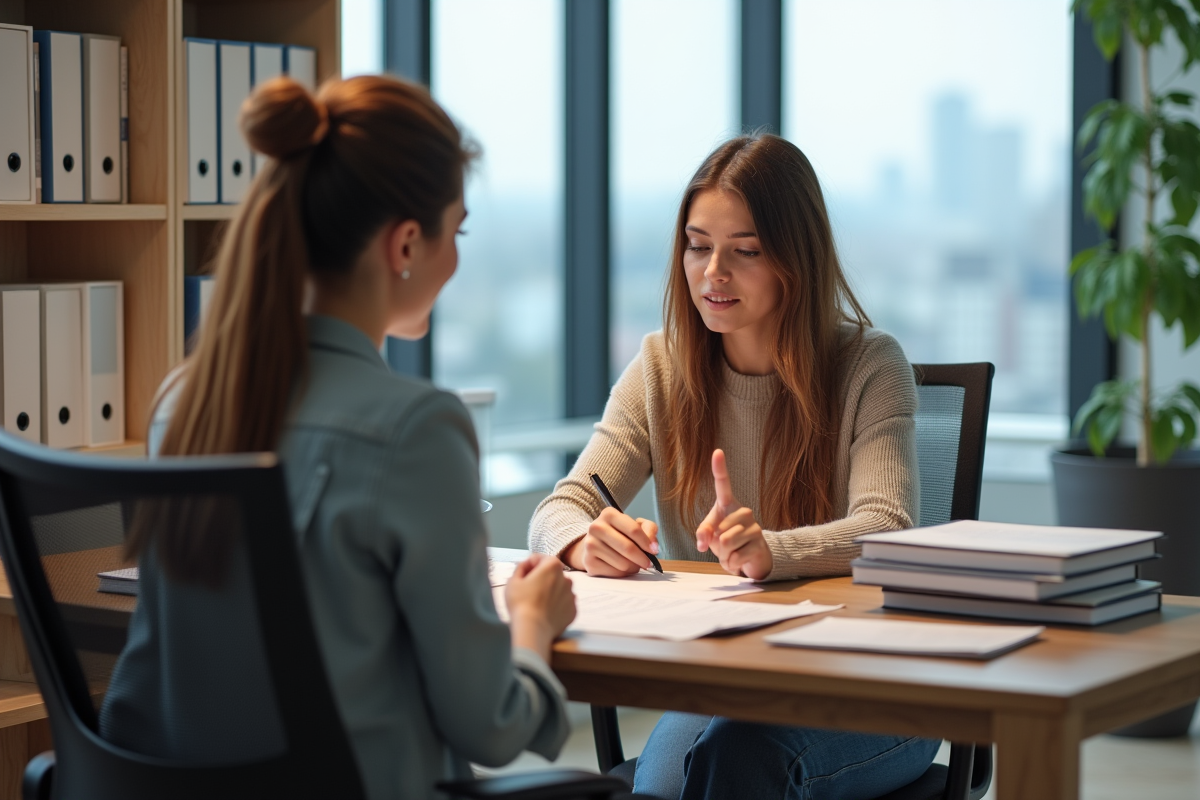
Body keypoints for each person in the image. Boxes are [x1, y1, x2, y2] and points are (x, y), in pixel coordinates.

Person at [99, 75, 577, 800]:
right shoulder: (418, 430)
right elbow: (491, 725)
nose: (457, 258)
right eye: (459, 229)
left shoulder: (183, 407)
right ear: (407, 243)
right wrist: (532, 625)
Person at [529, 134, 938, 799]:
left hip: (874, 685)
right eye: (697, 245)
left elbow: (887, 525)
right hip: (727, 682)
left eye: (744, 251)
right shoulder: (661, 368)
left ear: (794, 261)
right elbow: (561, 506)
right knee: (670, 783)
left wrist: (769, 551)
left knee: (739, 765)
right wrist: (581, 538)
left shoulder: (870, 365)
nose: (712, 273)